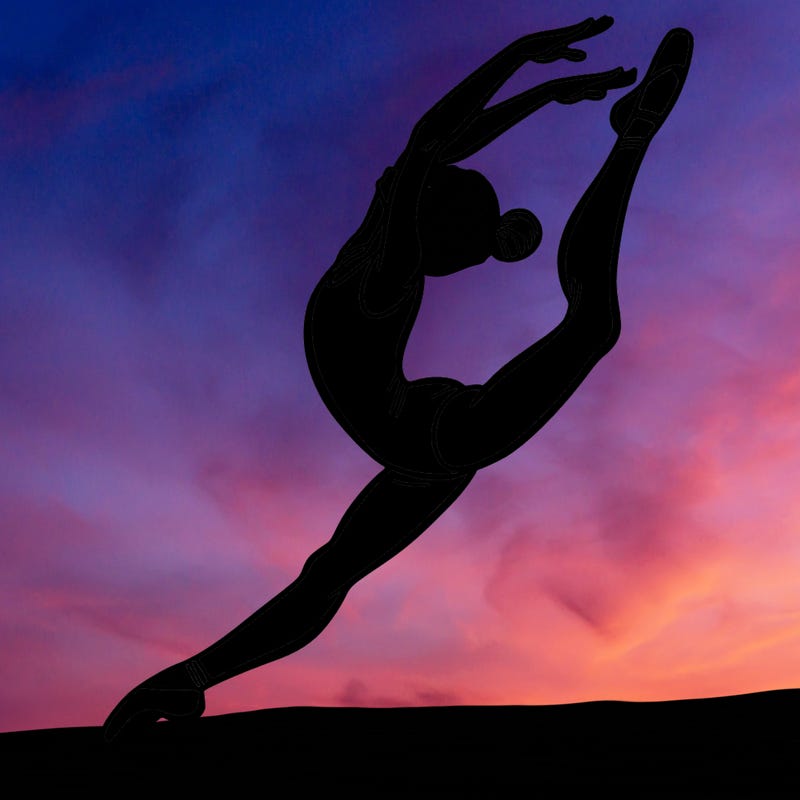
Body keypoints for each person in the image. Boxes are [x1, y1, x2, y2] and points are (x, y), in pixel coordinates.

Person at [103, 18, 693, 742]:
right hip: (433, 438)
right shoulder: (386, 272)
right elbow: (430, 144)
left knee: (593, 324)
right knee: (330, 574)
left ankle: (630, 139)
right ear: (437, 225)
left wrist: (538, 87)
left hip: (429, 434)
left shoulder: (377, 240)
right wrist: (519, 61)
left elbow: (431, 154)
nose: (480, 258)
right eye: (474, 243)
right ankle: (186, 681)